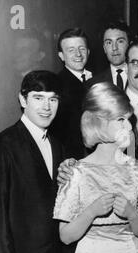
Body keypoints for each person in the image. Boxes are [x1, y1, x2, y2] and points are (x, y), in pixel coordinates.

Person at [53, 82, 138, 253]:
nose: (129, 128)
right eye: (120, 120)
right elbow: (65, 236)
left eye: (128, 120)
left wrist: (131, 213)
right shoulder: (76, 172)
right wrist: (91, 212)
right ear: (99, 122)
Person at [0, 70, 74, 253]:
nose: (46, 107)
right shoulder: (0, 146)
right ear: (23, 100)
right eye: (38, 97)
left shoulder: (58, 146)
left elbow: (64, 209)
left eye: (53, 99)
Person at [50, 28, 92, 159]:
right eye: (71, 50)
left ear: (88, 52)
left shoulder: (97, 78)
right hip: (74, 158)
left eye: (82, 49)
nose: (78, 54)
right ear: (61, 56)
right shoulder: (56, 85)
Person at [87, 21, 131, 89]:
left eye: (120, 41)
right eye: (109, 42)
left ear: (129, 45)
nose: (114, 48)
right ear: (104, 48)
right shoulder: (94, 84)